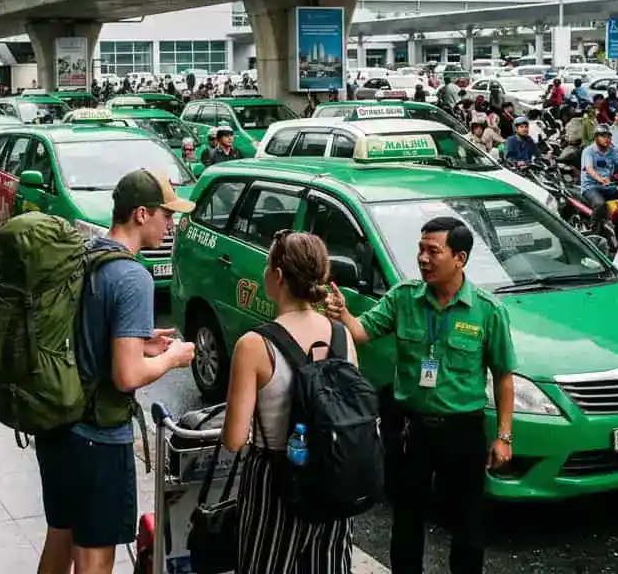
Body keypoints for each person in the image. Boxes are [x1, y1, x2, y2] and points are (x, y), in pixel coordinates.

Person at [323, 217, 515, 574]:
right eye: (420, 249)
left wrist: (504, 436)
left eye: (433, 251)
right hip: (411, 429)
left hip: (463, 431)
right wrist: (344, 315)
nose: (423, 258)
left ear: (459, 258)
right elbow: (362, 332)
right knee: (407, 520)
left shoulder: (487, 311)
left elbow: (503, 376)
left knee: (467, 524)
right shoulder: (403, 298)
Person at [36, 170, 196, 574]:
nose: (171, 224)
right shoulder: (132, 276)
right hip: (96, 439)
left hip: (57, 427)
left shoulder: (87, 253)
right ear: (142, 214)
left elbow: (83, 331)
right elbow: (126, 376)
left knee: (60, 537)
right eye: (167, 215)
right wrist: (172, 358)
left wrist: (141, 341)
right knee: (94, 557)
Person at [221, 230, 356, 573]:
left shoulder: (254, 345)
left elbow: (234, 439)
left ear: (277, 276)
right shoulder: (342, 336)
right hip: (332, 477)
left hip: (276, 481)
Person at [580, 124, 618, 227]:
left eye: (608, 136)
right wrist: (600, 179)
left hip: (608, 186)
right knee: (599, 204)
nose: (606, 139)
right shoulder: (588, 151)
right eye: (603, 136)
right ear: (596, 137)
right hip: (590, 187)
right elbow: (589, 169)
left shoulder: (612, 151)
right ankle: (593, 229)